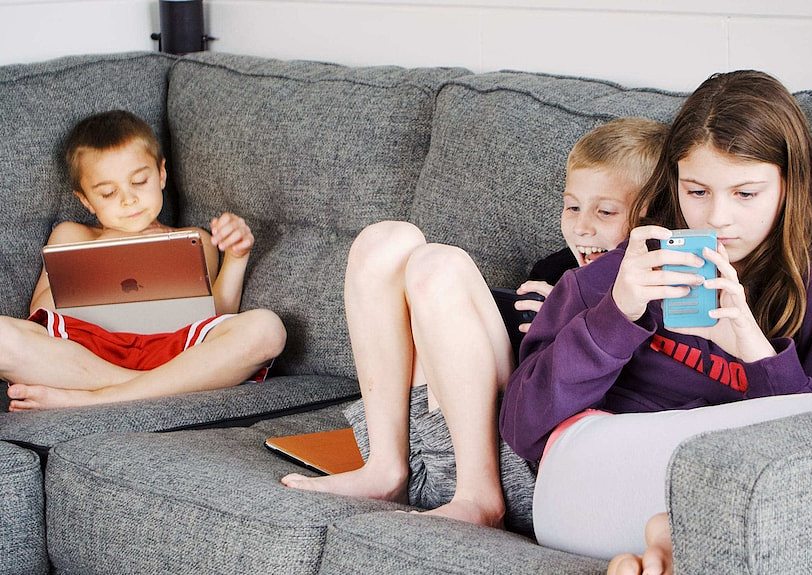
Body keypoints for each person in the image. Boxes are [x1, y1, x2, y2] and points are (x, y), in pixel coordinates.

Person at [498, 70, 812, 574]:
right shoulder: (617, 274)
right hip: (590, 485)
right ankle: (673, 532)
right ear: (674, 184)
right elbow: (522, 425)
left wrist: (757, 355)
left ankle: (669, 541)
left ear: (788, 186)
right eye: (697, 191)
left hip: (738, 502)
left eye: (746, 194)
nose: (717, 218)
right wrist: (615, 317)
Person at [281, 118, 668, 530]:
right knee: (385, 240)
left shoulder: (653, 289)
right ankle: (384, 470)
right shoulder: (555, 269)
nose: (581, 226)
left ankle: (480, 498)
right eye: (571, 206)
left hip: (518, 463)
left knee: (438, 266)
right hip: (426, 443)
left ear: (649, 217)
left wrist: (564, 328)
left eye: (605, 211)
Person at [2, 109, 286, 411]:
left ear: (161, 174)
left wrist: (236, 256)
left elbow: (217, 313)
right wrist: (108, 246)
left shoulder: (194, 239)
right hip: (85, 352)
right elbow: (41, 311)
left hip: (173, 349)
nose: (128, 199)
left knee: (267, 329)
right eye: (108, 193)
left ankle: (100, 397)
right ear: (86, 200)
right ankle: (153, 385)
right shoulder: (71, 234)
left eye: (139, 181)